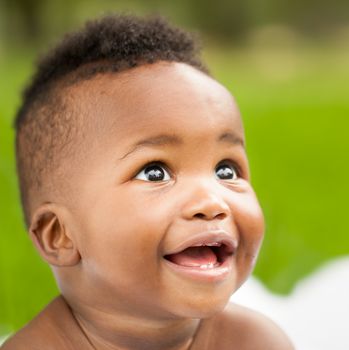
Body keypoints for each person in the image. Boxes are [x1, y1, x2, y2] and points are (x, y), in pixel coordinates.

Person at [2, 14, 293, 350]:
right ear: (60, 235)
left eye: (226, 170)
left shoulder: (252, 342)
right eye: (155, 172)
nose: (212, 202)